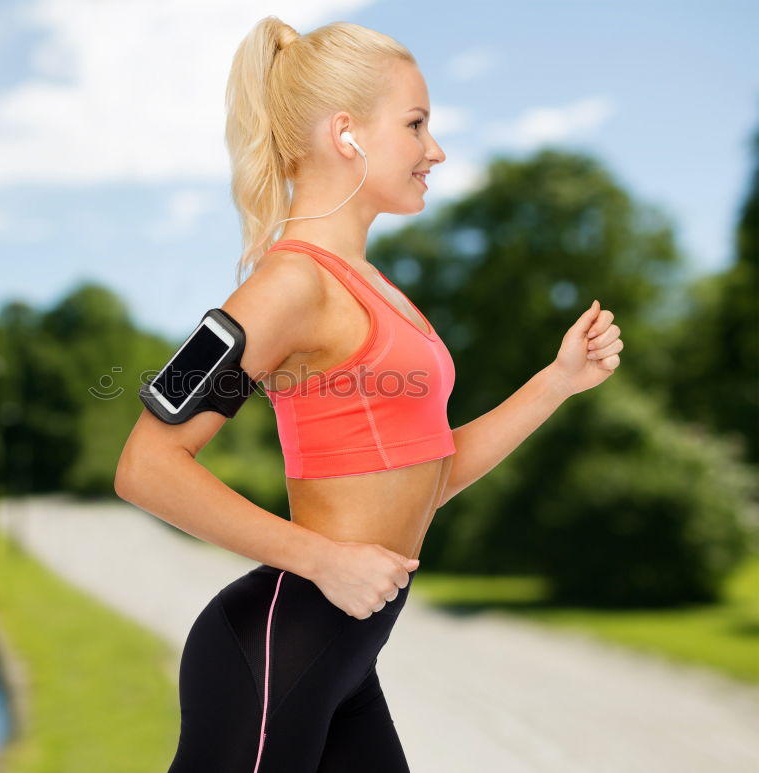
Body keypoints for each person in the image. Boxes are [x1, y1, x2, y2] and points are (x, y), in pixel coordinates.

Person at [114, 16, 623, 773]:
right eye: (417, 124)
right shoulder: (287, 284)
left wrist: (556, 383)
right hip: (270, 657)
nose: (436, 151)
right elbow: (146, 465)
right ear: (345, 132)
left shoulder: (381, 293)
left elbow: (429, 476)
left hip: (343, 660)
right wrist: (322, 559)